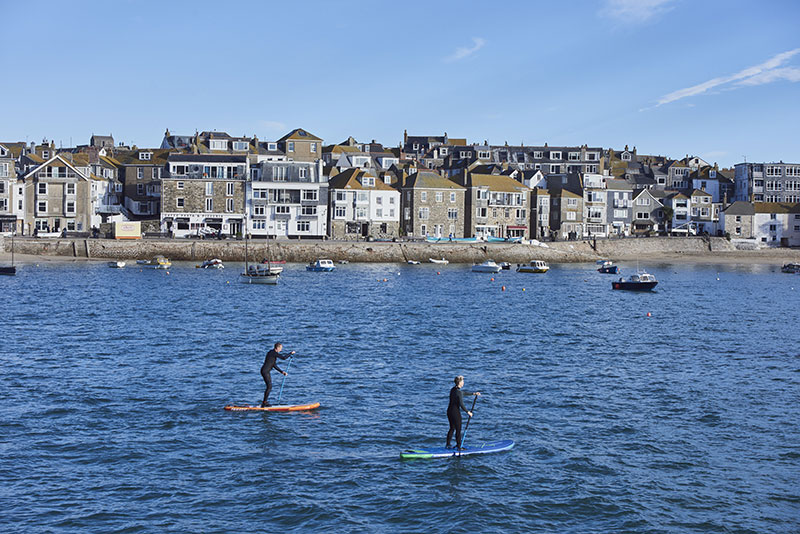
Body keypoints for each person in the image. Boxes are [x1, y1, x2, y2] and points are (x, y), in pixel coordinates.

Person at [446, 376, 480, 450]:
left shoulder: (453, 389)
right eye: (462, 381)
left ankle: (448, 444)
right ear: (459, 383)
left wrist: (473, 393)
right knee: (458, 429)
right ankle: (459, 446)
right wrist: (468, 412)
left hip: (449, 411)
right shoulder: (459, 392)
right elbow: (461, 404)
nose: (463, 383)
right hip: (455, 413)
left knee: (452, 428)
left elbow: (463, 393)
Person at [260, 342, 295, 407]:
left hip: (265, 371)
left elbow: (273, 364)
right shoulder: (274, 353)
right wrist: (290, 353)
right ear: (277, 348)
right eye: (281, 348)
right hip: (265, 371)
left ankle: (264, 402)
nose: (281, 350)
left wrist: (282, 372)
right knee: (269, 386)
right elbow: (283, 358)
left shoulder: (271, 353)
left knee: (269, 386)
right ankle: (264, 402)